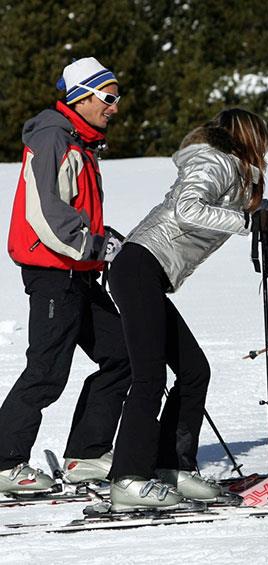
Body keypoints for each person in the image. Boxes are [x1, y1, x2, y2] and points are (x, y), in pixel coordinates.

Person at [106, 109, 268, 512]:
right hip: (138, 265)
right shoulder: (212, 160)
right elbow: (187, 209)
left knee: (194, 371)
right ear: (248, 136)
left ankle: (171, 466)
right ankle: (127, 479)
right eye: (262, 137)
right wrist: (248, 223)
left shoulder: (235, 172)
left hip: (148, 273)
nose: (266, 146)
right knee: (149, 375)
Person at [0, 57, 129, 494]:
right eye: (108, 97)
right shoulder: (53, 136)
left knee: (122, 354)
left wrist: (106, 240)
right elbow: (45, 214)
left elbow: (76, 211)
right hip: (52, 271)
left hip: (78, 272)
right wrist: (95, 245)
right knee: (47, 371)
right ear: (82, 96)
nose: (115, 107)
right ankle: (4, 463)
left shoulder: (80, 142)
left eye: (117, 98)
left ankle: (87, 455)